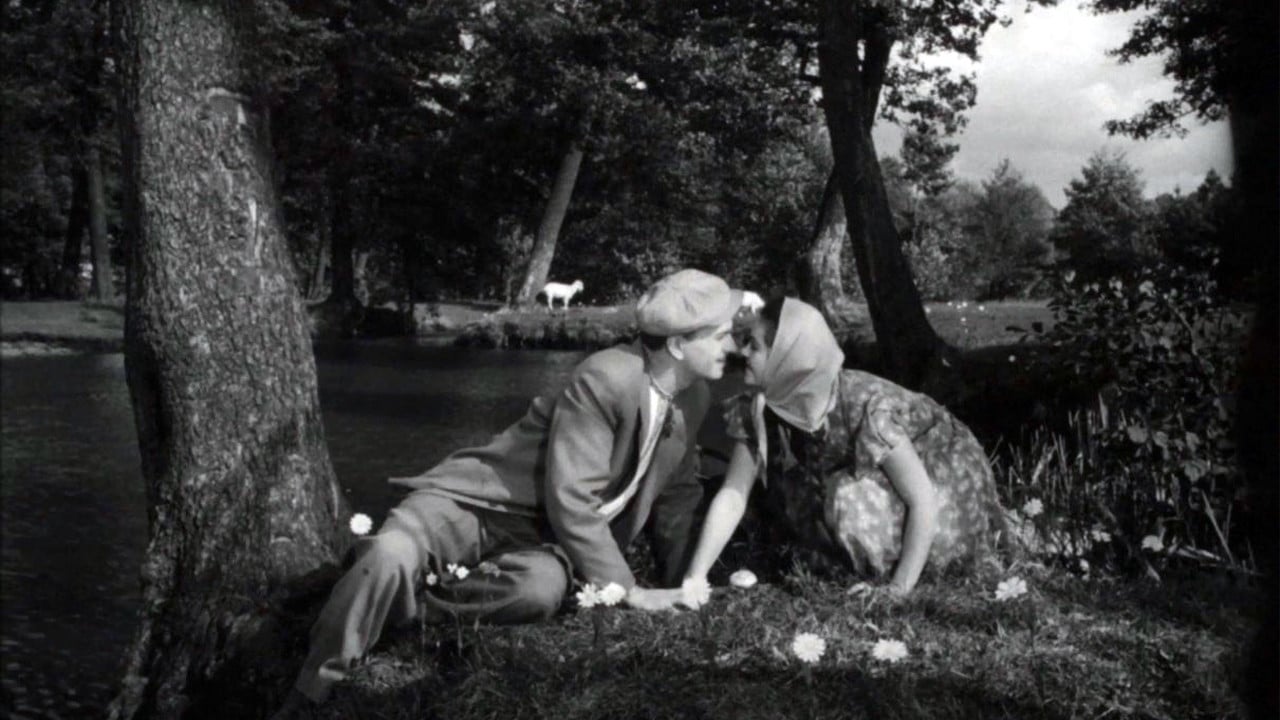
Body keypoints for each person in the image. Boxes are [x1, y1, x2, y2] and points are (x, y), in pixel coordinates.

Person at [276, 269, 742, 714]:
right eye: (721, 334)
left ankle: (400, 609)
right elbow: (573, 498)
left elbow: (676, 496)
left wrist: (688, 585)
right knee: (388, 556)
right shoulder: (608, 376)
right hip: (479, 502)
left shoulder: (694, 397)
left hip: (546, 539)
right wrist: (629, 591)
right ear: (679, 345)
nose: (733, 344)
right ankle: (311, 692)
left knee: (539, 593)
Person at [683, 297, 1004, 598]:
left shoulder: (864, 406)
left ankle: (894, 567)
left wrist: (898, 590)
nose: (742, 353)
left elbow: (922, 499)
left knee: (845, 502)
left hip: (945, 481)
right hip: (871, 482)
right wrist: (695, 578)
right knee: (792, 504)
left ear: (788, 359)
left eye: (754, 345)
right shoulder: (757, 407)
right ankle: (854, 557)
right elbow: (734, 494)